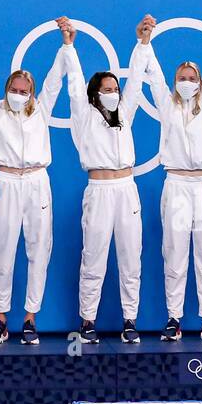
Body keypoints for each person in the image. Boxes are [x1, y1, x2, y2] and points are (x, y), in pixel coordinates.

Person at [0, 17, 77, 345]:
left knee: (38, 249)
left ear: (31, 93)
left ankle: (30, 318)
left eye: (24, 91)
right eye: (14, 90)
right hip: (6, 182)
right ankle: (1, 319)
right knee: (1, 248)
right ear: (7, 91)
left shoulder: (40, 111)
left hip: (36, 182)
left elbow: (56, 78)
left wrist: (67, 43)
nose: (18, 94)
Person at [136, 14, 202, 343]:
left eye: (192, 77)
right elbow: (150, 74)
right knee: (175, 252)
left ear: (199, 81)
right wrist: (145, 42)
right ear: (175, 80)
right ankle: (174, 317)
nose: (187, 81)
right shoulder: (166, 104)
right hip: (177, 185)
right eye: (182, 76)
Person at [70, 18, 156, 343]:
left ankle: (130, 320)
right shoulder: (84, 116)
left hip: (127, 190)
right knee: (93, 255)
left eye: (114, 89)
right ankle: (87, 321)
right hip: (99, 190)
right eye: (106, 89)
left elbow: (135, 81)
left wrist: (143, 43)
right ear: (95, 94)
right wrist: (69, 46)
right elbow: (75, 84)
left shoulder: (125, 114)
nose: (113, 93)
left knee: (131, 254)